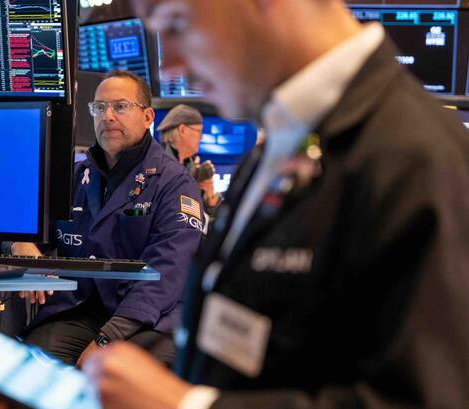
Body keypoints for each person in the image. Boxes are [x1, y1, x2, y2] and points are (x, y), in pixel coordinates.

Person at [81, 1, 469, 409]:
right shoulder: (279, 146)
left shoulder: (422, 162)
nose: (173, 67)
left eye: (177, 24)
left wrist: (184, 405)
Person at [10, 70, 204, 367]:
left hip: (146, 320)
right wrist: (20, 244)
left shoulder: (175, 184)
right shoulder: (74, 177)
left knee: (118, 377)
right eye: (99, 108)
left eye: (120, 106)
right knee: (30, 367)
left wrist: (107, 338)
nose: (108, 116)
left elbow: (167, 272)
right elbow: (16, 221)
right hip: (79, 311)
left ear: (148, 116)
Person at [157, 104, 221, 216]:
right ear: (182, 130)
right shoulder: (156, 163)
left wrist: (209, 197)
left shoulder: (190, 166)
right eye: (199, 131)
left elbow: (203, 218)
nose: (201, 137)